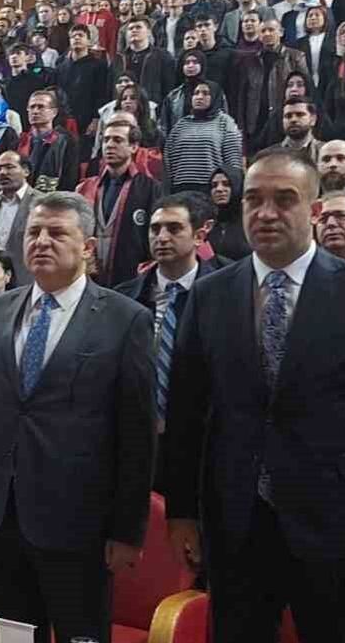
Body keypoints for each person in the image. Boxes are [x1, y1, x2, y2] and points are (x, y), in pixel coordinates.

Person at [165, 147, 345, 641]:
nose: (266, 212)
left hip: (337, 526)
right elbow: (186, 413)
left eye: (284, 199)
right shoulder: (209, 295)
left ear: (314, 210)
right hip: (235, 523)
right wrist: (182, 512)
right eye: (253, 199)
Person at [0, 191, 155, 643]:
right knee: (12, 635)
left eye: (56, 233)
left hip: (79, 522)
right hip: (0, 514)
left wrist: (127, 530)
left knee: (79, 634)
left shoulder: (125, 319)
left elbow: (136, 434)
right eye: (33, 232)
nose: (41, 241)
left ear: (87, 247)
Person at [114, 192, 228, 489]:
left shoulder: (226, 294)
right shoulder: (124, 298)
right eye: (155, 229)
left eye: (174, 228)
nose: (162, 237)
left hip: (203, 441)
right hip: (136, 439)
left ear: (200, 235)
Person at [77, 118, 160, 286]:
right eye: (106, 140)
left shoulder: (150, 189)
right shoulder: (85, 187)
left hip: (131, 279)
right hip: (88, 277)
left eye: (118, 140)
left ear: (134, 147)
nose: (109, 145)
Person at [164, 81, 244, 194]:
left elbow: (233, 163)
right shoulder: (181, 125)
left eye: (205, 93)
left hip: (211, 189)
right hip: (180, 189)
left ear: (215, 97)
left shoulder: (225, 122)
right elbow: (168, 160)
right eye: (196, 93)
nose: (199, 97)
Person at [0, 152, 42, 287]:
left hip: (27, 280)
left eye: (9, 167)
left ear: (26, 171)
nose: (3, 173)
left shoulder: (41, 203)